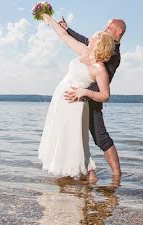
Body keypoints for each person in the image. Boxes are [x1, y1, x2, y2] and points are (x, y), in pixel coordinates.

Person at [38, 15, 115, 182]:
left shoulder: (99, 69)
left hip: (75, 105)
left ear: (99, 44)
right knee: (63, 137)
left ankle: (90, 175)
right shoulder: (83, 51)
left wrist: (85, 92)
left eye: (94, 38)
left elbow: (105, 95)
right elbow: (64, 36)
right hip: (61, 101)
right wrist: (49, 19)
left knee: (76, 141)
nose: (90, 39)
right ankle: (70, 176)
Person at [60, 18, 126, 179]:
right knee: (75, 135)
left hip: (91, 100)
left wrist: (84, 94)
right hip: (81, 97)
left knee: (101, 138)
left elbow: (102, 83)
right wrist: (68, 29)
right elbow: (86, 41)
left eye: (109, 27)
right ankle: (84, 172)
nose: (106, 28)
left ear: (119, 32)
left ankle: (116, 176)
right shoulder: (102, 42)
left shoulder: (113, 53)